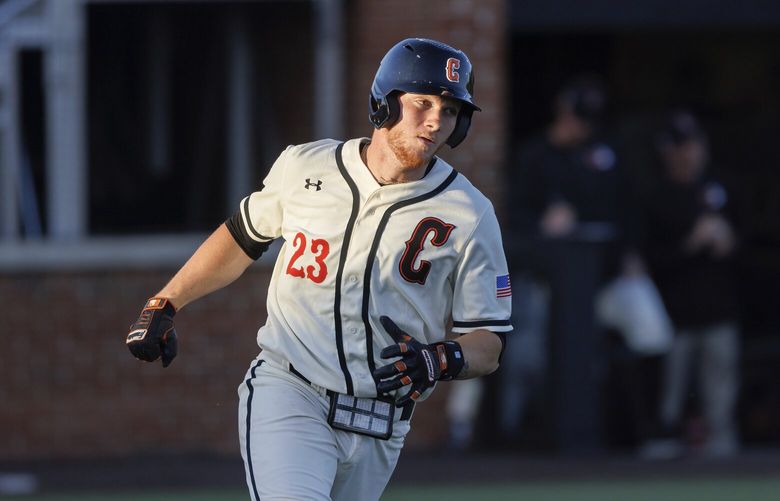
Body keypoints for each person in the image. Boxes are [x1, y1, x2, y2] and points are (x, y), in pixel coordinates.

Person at [125, 38, 512, 501]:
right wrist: (166, 300)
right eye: (422, 103)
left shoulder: (470, 212)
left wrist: (441, 358)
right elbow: (243, 236)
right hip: (291, 390)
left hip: (382, 423)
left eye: (449, 111)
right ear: (386, 102)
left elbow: (489, 342)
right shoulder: (306, 164)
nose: (435, 121)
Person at [641, 110, 741, 458]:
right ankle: (664, 446)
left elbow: (747, 244)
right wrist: (691, 243)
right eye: (682, 146)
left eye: (694, 144)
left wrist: (729, 240)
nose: (690, 153)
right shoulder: (657, 195)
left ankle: (722, 453)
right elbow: (648, 258)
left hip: (720, 308)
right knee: (670, 392)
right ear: (668, 151)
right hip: (674, 314)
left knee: (720, 391)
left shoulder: (720, 186)